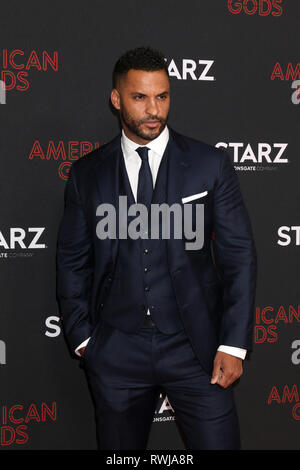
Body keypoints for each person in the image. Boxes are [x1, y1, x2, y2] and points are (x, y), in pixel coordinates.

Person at [56, 46, 257, 450]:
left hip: (196, 348)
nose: (153, 109)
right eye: (140, 97)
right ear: (116, 99)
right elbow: (72, 261)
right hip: (116, 350)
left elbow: (240, 255)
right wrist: (85, 340)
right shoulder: (88, 174)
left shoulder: (208, 164)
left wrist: (232, 343)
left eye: (162, 96)